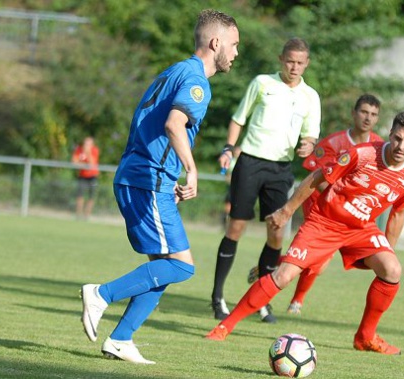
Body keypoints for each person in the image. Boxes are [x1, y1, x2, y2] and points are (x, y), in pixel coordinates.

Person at [79, 9, 239, 364]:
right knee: (182, 266)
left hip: (143, 178)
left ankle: (121, 339)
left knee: (164, 266)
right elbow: (173, 124)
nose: (237, 52)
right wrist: (191, 169)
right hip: (147, 180)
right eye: (234, 44)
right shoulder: (197, 81)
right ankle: (101, 294)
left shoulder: (175, 70)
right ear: (216, 43)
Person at [206, 111, 404, 356]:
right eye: (397, 138)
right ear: (390, 134)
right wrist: (286, 211)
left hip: (361, 228)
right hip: (325, 222)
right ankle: (225, 326)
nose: (401, 146)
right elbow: (315, 177)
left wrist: (388, 249)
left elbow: (398, 212)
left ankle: (365, 337)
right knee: (284, 276)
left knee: (392, 269)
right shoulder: (362, 154)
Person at [210, 37, 321, 323]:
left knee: (276, 231)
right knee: (236, 227)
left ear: (306, 63)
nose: (294, 67)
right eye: (290, 61)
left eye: (300, 62)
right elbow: (238, 119)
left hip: (281, 170)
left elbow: (310, 135)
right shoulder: (262, 83)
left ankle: (261, 301)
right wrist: (227, 149)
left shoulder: (311, 96)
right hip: (249, 162)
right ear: (281, 59)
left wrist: (308, 145)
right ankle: (217, 297)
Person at [246, 93, 383, 315]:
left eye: (374, 114)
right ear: (354, 113)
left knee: (319, 260)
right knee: (321, 258)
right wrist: (339, 201)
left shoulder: (379, 147)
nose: (368, 118)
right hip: (321, 203)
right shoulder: (334, 143)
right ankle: (296, 302)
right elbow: (316, 178)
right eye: (364, 112)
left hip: (351, 211)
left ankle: (274, 265)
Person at [72, 136, 100, 220]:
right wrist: (83, 165)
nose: (86, 145)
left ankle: (87, 216)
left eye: (88, 144)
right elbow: (74, 162)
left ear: (92, 145)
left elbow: (92, 163)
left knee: (91, 196)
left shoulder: (95, 150)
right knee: (80, 195)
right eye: (85, 143)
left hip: (92, 176)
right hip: (82, 176)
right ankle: (78, 215)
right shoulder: (79, 150)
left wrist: (88, 153)